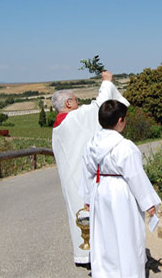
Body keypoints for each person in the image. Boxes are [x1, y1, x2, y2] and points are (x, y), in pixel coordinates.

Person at [51, 71, 129, 266]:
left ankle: (86, 254)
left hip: (72, 181)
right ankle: (99, 256)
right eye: (76, 101)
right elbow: (99, 106)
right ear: (68, 104)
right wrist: (107, 82)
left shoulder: (59, 126)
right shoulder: (74, 119)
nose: (78, 104)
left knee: (78, 214)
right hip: (84, 182)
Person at [81, 100, 161, 278]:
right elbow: (135, 176)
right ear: (120, 120)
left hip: (99, 190)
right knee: (126, 235)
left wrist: (87, 198)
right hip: (120, 192)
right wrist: (148, 203)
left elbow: (87, 173)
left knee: (104, 236)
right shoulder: (125, 147)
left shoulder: (90, 145)